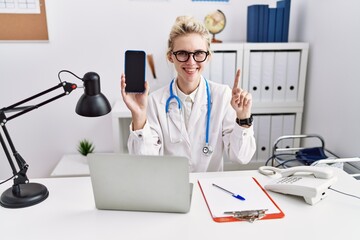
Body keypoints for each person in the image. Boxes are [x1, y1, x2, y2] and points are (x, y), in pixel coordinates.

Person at [120, 16, 256, 172]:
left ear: (208, 56)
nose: (191, 62)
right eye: (183, 53)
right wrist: (138, 115)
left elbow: (241, 157)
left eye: (198, 53)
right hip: (170, 189)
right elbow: (144, 162)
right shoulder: (155, 101)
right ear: (170, 56)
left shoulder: (223, 95)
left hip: (208, 189)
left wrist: (243, 118)